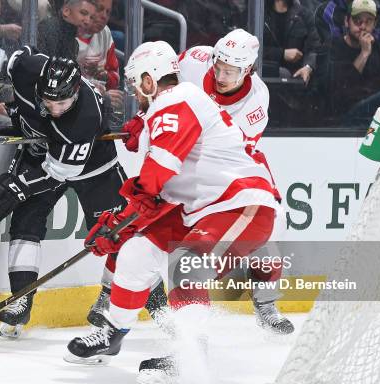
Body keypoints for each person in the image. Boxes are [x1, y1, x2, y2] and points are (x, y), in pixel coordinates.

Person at [64, 41, 280, 384]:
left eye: (138, 85)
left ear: (150, 81)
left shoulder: (177, 100)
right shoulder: (166, 110)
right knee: (135, 251)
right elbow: (161, 197)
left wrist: (120, 219)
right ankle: (113, 333)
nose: (136, 93)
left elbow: (155, 176)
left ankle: (190, 357)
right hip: (198, 209)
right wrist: (123, 229)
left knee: (186, 263)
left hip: (241, 205)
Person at [0, 46, 165, 339]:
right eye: (48, 102)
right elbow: (20, 54)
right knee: (25, 221)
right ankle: (21, 299)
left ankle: (161, 313)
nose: (54, 109)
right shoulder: (26, 69)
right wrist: (12, 103)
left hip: (94, 168)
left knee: (119, 235)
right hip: (41, 155)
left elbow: (58, 172)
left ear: (77, 91)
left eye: (63, 103)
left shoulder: (84, 119)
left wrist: (17, 187)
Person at [123, 29, 294, 335]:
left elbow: (231, 150)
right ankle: (117, 302)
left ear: (249, 70)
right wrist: (145, 117)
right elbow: (158, 87)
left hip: (222, 165)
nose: (221, 75)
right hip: (180, 155)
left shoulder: (256, 102)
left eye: (231, 71)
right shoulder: (193, 60)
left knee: (266, 230)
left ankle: (266, 302)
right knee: (145, 233)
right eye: (218, 66)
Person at [323, 0, 380, 124]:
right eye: (357, 20)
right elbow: (338, 90)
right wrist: (364, 53)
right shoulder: (332, 47)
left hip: (375, 116)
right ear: (347, 21)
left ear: (374, 24)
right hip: (342, 117)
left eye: (368, 21)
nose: (363, 26)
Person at [263, 0, 319, 84]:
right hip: (263, 79)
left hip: (296, 81)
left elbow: (315, 48)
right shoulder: (259, 14)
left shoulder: (304, 15)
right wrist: (282, 54)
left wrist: (308, 67)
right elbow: (251, 49)